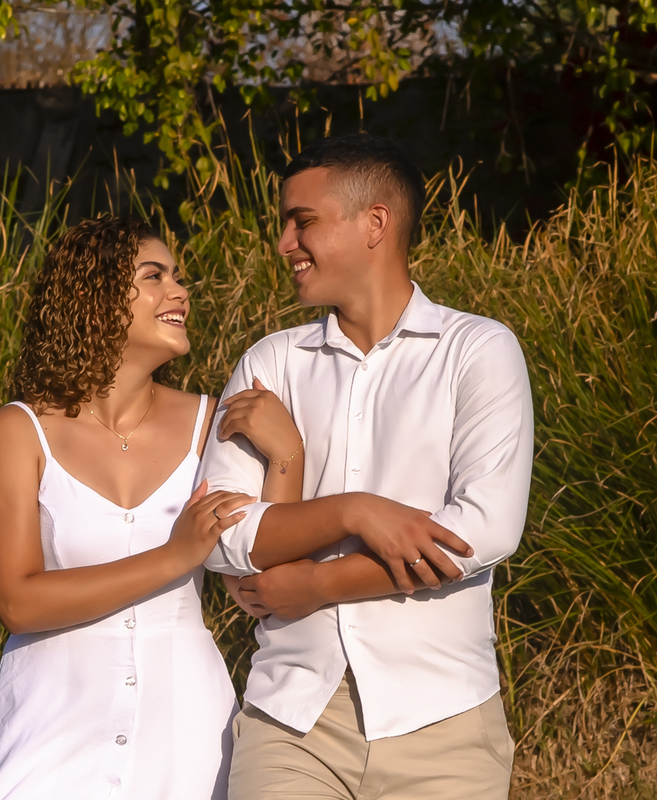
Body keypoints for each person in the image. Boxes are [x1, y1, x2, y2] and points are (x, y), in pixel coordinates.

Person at [200, 133, 534, 799]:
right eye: (284, 224)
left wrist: (318, 585)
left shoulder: (478, 350)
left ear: (375, 222)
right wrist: (355, 512)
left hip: (444, 724)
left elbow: (485, 530)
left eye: (304, 222)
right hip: (290, 721)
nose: (284, 244)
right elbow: (224, 535)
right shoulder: (271, 363)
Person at [0, 216, 306, 800]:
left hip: (184, 733)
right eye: (156, 276)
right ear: (93, 297)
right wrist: (174, 556)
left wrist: (287, 457)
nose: (181, 291)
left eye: (178, 276)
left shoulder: (214, 424)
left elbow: (259, 587)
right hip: (49, 729)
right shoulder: (18, 432)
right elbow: (18, 602)